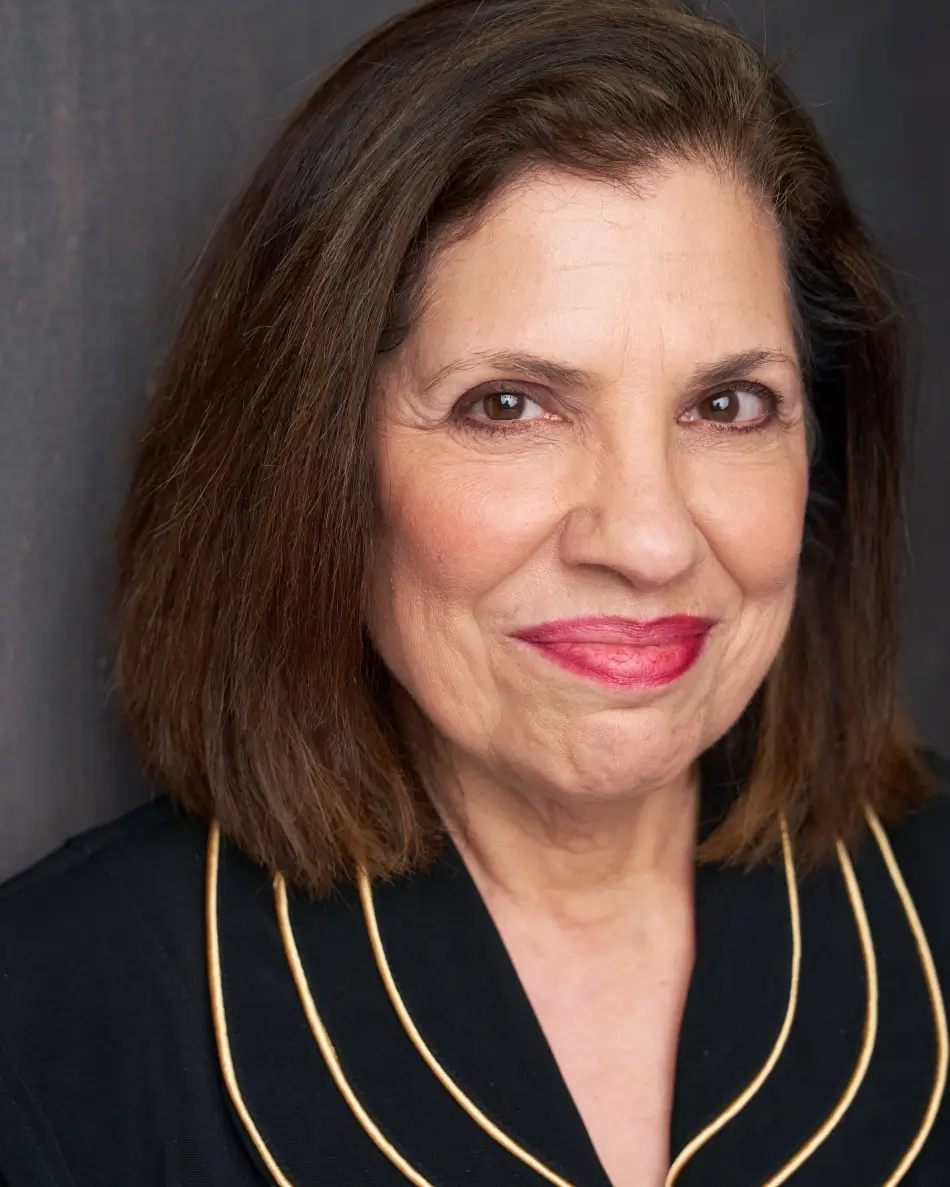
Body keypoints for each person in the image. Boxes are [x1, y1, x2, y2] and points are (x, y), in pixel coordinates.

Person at [1, 0, 948, 1183]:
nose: (646, 538)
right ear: (317, 461)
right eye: (508, 405)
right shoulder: (48, 1027)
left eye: (725, 406)